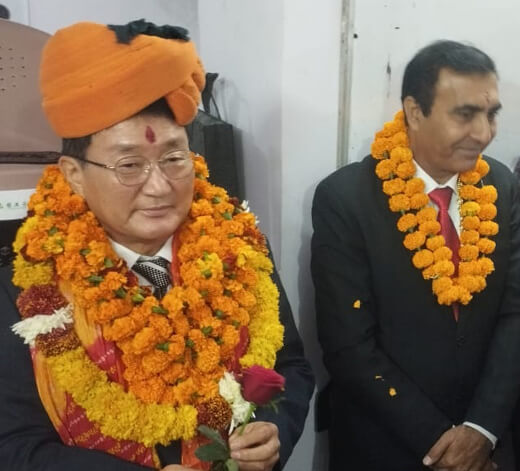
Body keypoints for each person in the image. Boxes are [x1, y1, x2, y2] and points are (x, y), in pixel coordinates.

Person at [0, 20, 314, 471]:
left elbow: (291, 366)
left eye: (173, 158)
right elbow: (15, 444)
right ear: (74, 175)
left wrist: (273, 429)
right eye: (129, 165)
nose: (160, 186)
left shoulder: (242, 251)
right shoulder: (26, 291)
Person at [311, 40, 520, 471]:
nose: (484, 133)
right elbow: (349, 348)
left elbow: (515, 313)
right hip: (386, 445)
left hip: (489, 443)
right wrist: (443, 444)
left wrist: (481, 430)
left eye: (491, 114)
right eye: (465, 114)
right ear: (414, 111)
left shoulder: (502, 186)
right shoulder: (346, 199)